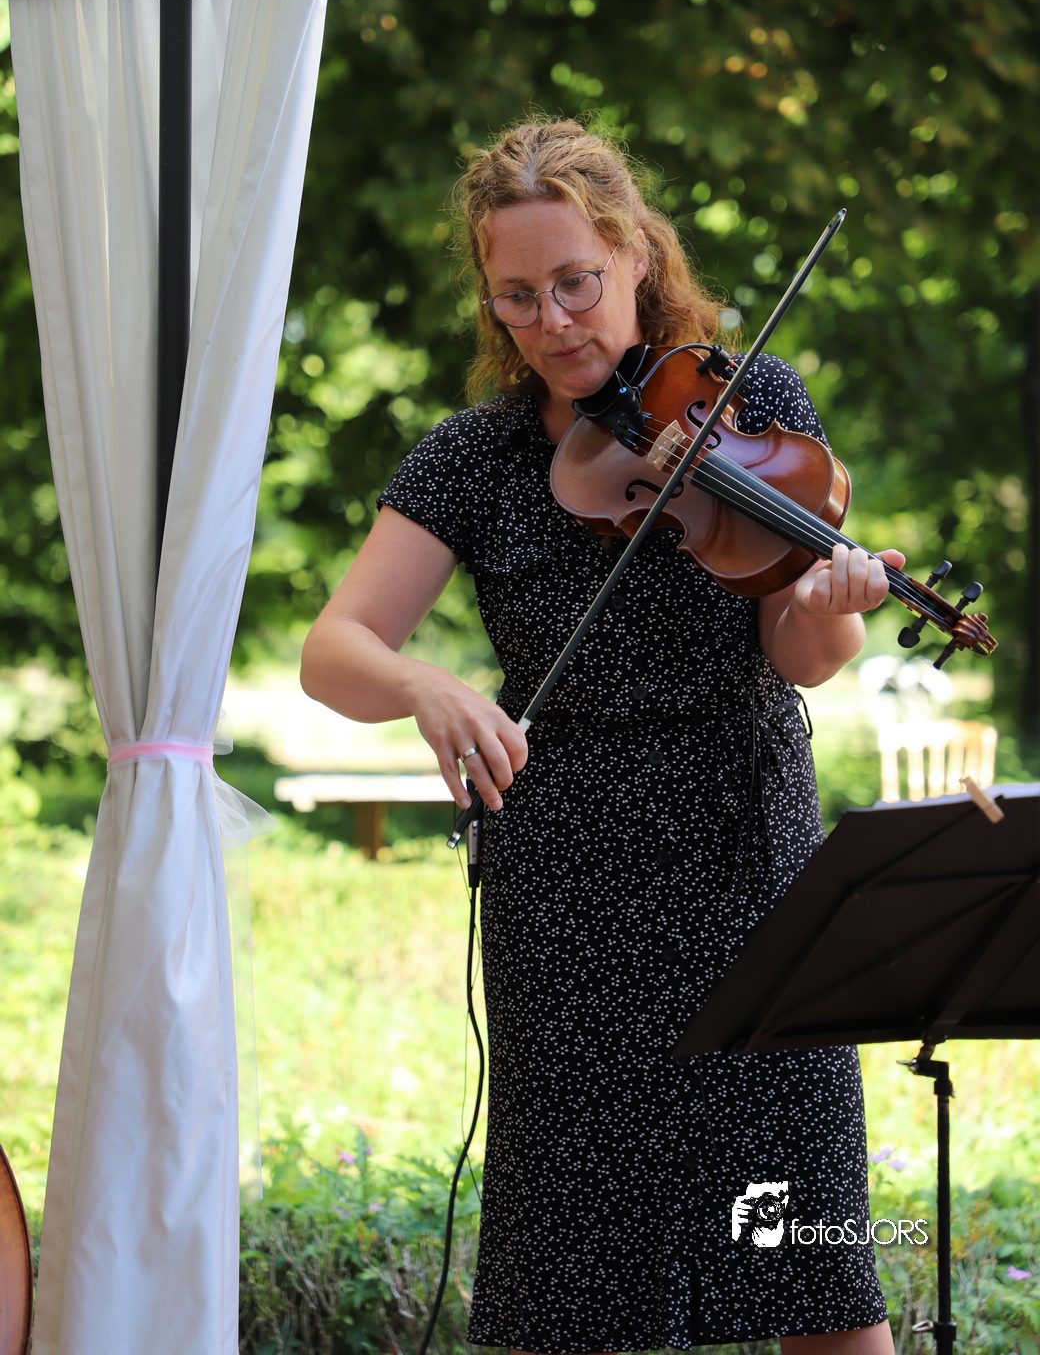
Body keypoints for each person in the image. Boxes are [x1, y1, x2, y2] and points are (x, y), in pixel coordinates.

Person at [301, 117, 903, 1355]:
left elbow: (802, 655)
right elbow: (334, 649)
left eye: (575, 281)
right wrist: (423, 687)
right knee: (571, 1270)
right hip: (568, 886)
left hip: (746, 852)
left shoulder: (749, 401)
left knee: (807, 1260)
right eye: (517, 296)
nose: (553, 321)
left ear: (633, 254)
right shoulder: (474, 459)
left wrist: (831, 602)